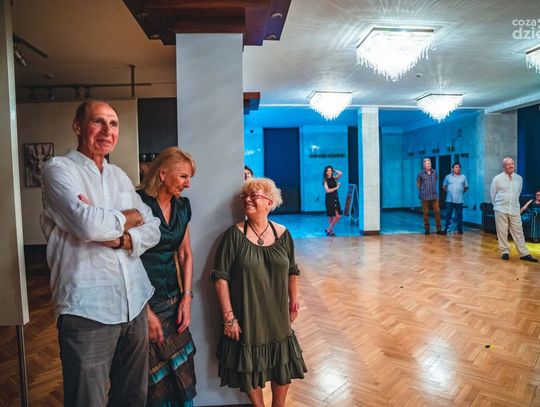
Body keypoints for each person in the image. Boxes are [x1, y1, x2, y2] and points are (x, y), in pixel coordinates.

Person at [40, 100, 161, 406]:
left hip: (134, 303)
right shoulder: (58, 169)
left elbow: (154, 227)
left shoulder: (118, 175)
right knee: (87, 400)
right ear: (78, 126)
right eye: (98, 122)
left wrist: (121, 238)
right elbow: (88, 224)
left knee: (132, 397)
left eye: (114, 123)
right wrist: (129, 217)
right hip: (87, 308)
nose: (107, 130)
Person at [211, 178, 307, 407]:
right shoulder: (233, 235)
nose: (247, 200)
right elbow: (220, 278)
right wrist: (229, 318)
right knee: (250, 365)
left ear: (270, 202)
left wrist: (294, 302)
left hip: (277, 312)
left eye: (254, 196)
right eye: (245, 196)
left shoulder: (283, 233)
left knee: (282, 362)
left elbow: (292, 271)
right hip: (247, 312)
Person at [137, 147, 198, 406]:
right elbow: (126, 257)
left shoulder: (183, 207)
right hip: (142, 300)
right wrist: (144, 309)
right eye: (183, 176)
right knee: (150, 377)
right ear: (162, 174)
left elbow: (185, 254)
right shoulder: (137, 203)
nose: (188, 184)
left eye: (189, 178)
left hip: (173, 298)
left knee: (181, 373)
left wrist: (187, 298)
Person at [490, 157, 538, 262]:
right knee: (502, 232)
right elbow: (493, 193)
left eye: (512, 163)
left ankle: (524, 254)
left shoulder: (519, 178)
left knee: (518, 231)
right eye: (508, 164)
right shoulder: (497, 179)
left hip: (514, 209)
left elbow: (518, 193)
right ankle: (505, 252)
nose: (511, 166)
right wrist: (497, 205)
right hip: (500, 208)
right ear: (503, 166)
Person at [417, 158, 445, 235]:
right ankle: (427, 229)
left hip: (434, 196)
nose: (428, 165)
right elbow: (418, 183)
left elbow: (435, 181)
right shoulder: (420, 174)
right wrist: (422, 190)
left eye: (429, 163)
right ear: (424, 165)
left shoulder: (434, 172)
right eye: (427, 163)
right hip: (424, 196)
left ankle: (439, 229)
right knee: (426, 213)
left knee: (437, 212)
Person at [442, 162, 469, 234]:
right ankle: (447, 228)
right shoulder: (448, 177)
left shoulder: (463, 177)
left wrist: (461, 192)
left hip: (459, 200)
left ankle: (459, 229)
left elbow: (466, 187)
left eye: (459, 167)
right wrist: (449, 192)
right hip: (450, 200)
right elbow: (444, 186)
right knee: (448, 214)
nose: (458, 168)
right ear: (453, 169)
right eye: (456, 167)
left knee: (460, 215)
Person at [323, 165, 342, 236]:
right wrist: (337, 187)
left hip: (335, 198)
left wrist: (334, 170)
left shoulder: (333, 178)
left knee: (338, 216)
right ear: (326, 172)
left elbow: (340, 173)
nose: (329, 172)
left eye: (330, 170)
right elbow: (327, 190)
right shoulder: (325, 180)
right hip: (329, 199)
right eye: (328, 171)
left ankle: (329, 229)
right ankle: (331, 231)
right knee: (331, 216)